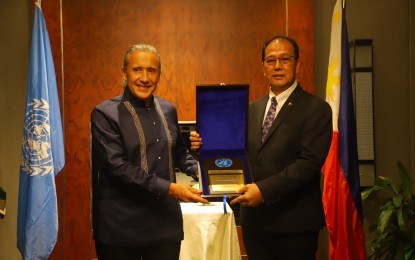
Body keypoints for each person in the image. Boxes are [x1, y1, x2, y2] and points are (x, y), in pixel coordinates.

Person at [190, 35, 333, 259]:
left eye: (285, 59)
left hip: (294, 225)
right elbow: (235, 152)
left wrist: (263, 190)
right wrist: (204, 146)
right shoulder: (251, 109)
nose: (277, 66)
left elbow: (308, 164)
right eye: (270, 60)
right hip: (254, 222)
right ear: (263, 67)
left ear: (298, 64)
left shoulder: (316, 109)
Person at [91, 43, 208, 260]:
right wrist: (171, 189)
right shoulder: (104, 114)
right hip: (120, 229)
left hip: (165, 226)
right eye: (137, 70)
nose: (144, 78)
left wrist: (204, 172)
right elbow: (119, 167)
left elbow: (180, 155)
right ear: (124, 72)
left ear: (159, 75)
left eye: (151, 70)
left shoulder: (168, 109)